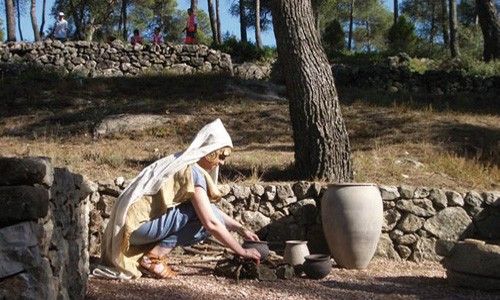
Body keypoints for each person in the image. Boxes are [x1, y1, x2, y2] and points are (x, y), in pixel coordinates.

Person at [99, 119, 261, 280]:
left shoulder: (183, 163)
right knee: (204, 220)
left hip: (130, 230)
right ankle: (153, 258)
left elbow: (211, 210)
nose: (222, 162)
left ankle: (154, 257)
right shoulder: (193, 172)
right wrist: (242, 251)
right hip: (136, 229)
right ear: (211, 151)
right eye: (221, 156)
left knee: (203, 212)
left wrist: (240, 228)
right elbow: (211, 222)